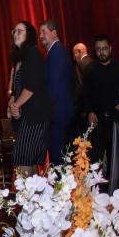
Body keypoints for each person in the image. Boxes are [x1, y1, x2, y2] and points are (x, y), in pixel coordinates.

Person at [7, 21, 51, 177]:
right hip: (26, 114)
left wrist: (16, 105)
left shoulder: (33, 54)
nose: (16, 34)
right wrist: (12, 103)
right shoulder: (20, 57)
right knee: (27, 159)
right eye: (14, 31)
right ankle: (32, 193)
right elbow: (17, 88)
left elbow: (32, 85)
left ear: (29, 35)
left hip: (35, 115)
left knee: (24, 158)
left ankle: (27, 193)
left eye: (20, 31)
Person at [83, 35, 119, 164]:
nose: (101, 52)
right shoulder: (89, 70)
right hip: (97, 121)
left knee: (116, 158)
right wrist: (90, 112)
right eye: (98, 49)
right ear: (95, 51)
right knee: (96, 159)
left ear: (110, 49)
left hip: (115, 119)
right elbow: (85, 94)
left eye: (104, 48)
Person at [39, 20, 74, 165]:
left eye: (44, 32)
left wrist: (44, 111)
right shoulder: (56, 51)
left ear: (54, 33)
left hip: (57, 114)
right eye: (40, 33)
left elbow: (54, 86)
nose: (41, 36)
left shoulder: (57, 52)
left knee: (58, 158)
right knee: (60, 157)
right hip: (59, 112)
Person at [73, 42, 95, 135]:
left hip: (84, 108)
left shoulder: (80, 63)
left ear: (78, 52)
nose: (73, 57)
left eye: (74, 53)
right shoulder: (94, 62)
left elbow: (81, 87)